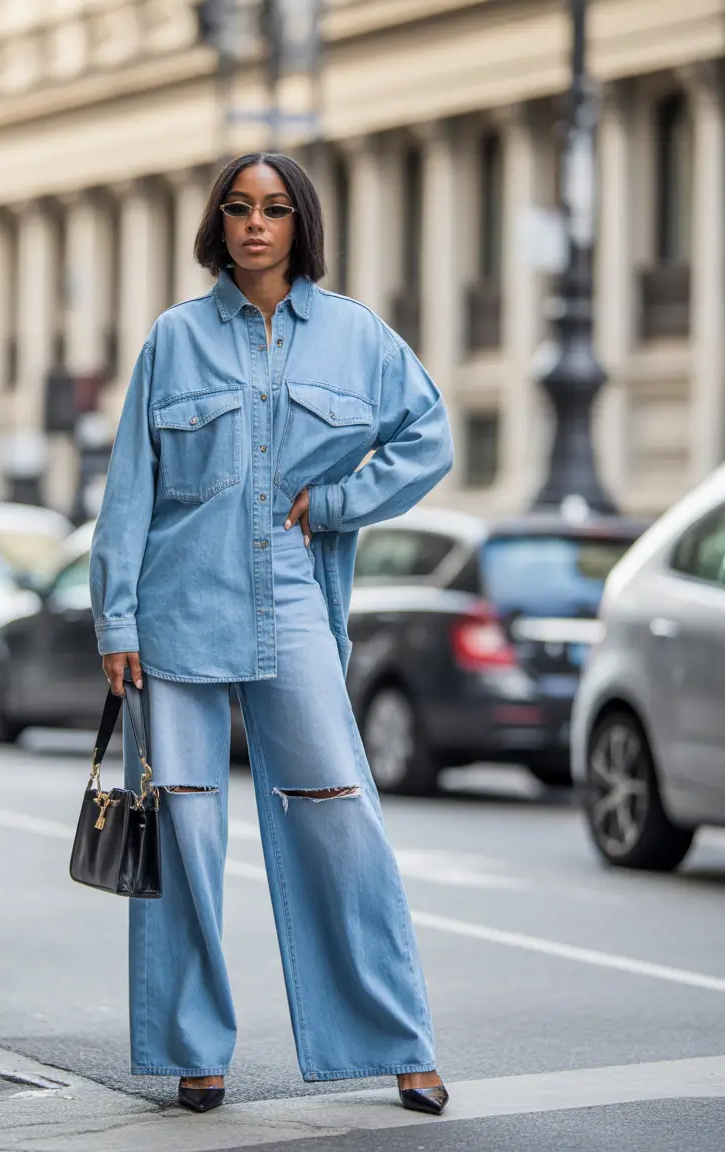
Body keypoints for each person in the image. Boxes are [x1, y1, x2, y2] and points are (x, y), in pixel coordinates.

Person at [89, 151, 454, 1116]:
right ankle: (193, 1051)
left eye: (277, 208)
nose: (256, 224)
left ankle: (398, 1042)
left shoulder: (356, 337)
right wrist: (116, 618)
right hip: (175, 616)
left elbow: (430, 439)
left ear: (301, 224)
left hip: (292, 604)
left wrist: (335, 502)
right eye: (241, 207)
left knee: (341, 816)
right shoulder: (174, 339)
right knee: (184, 829)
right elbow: (129, 489)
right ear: (220, 221)